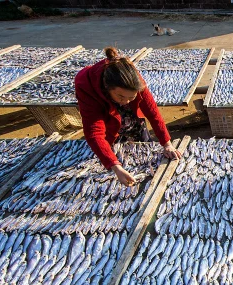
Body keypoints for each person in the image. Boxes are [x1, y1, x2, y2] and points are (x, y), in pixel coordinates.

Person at [75, 47, 181, 186]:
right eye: (121, 96)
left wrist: (166, 144)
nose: (125, 101)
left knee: (143, 149)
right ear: (107, 89)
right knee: (114, 152)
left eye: (131, 97)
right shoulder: (86, 86)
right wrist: (115, 167)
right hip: (109, 123)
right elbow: (94, 132)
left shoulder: (133, 79)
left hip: (131, 120)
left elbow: (152, 112)